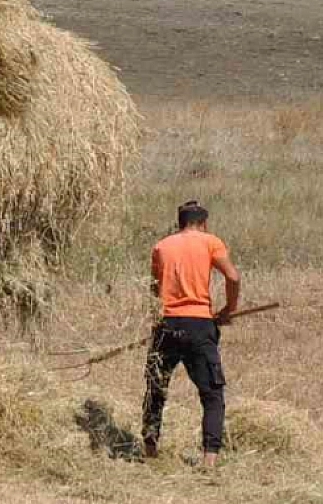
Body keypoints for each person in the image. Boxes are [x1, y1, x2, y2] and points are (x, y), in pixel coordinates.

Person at [142, 199, 241, 467]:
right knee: (212, 393)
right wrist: (229, 309)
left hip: (167, 325)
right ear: (204, 222)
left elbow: (154, 289)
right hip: (199, 326)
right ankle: (209, 459)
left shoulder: (161, 246)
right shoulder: (210, 242)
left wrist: (157, 323)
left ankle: (150, 450)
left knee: (156, 387)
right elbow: (233, 277)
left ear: (180, 222)